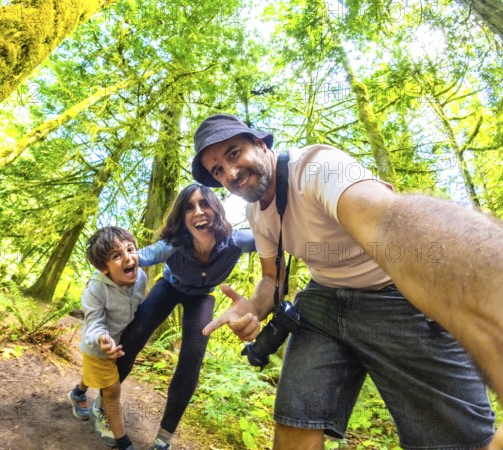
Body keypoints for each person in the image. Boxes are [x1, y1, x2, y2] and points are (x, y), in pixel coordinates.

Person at [191, 114, 503, 450]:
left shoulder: (319, 167)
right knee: (294, 425)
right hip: (322, 300)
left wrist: (488, 281)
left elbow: (388, 221)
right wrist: (252, 307)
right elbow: (271, 277)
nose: (231, 174)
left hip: (395, 299)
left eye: (234, 153)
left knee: (460, 441)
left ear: (262, 143)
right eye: (218, 171)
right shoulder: (256, 213)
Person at [115, 183, 256, 450]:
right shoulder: (172, 244)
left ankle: (163, 438)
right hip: (170, 286)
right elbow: (138, 257)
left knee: (192, 357)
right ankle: (104, 401)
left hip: (203, 296)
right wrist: (103, 272)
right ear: (182, 218)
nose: (199, 212)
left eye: (204, 204)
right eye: (190, 207)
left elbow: (275, 238)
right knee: (133, 336)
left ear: (216, 209)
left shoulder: (236, 241)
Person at [67, 226, 147, 450]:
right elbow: (93, 323)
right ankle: (122, 440)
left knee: (95, 376)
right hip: (98, 347)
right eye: (116, 256)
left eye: (130, 249)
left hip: (121, 342)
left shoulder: (140, 277)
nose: (128, 258)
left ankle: (77, 394)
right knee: (111, 389)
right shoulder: (95, 290)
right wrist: (102, 338)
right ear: (104, 268)